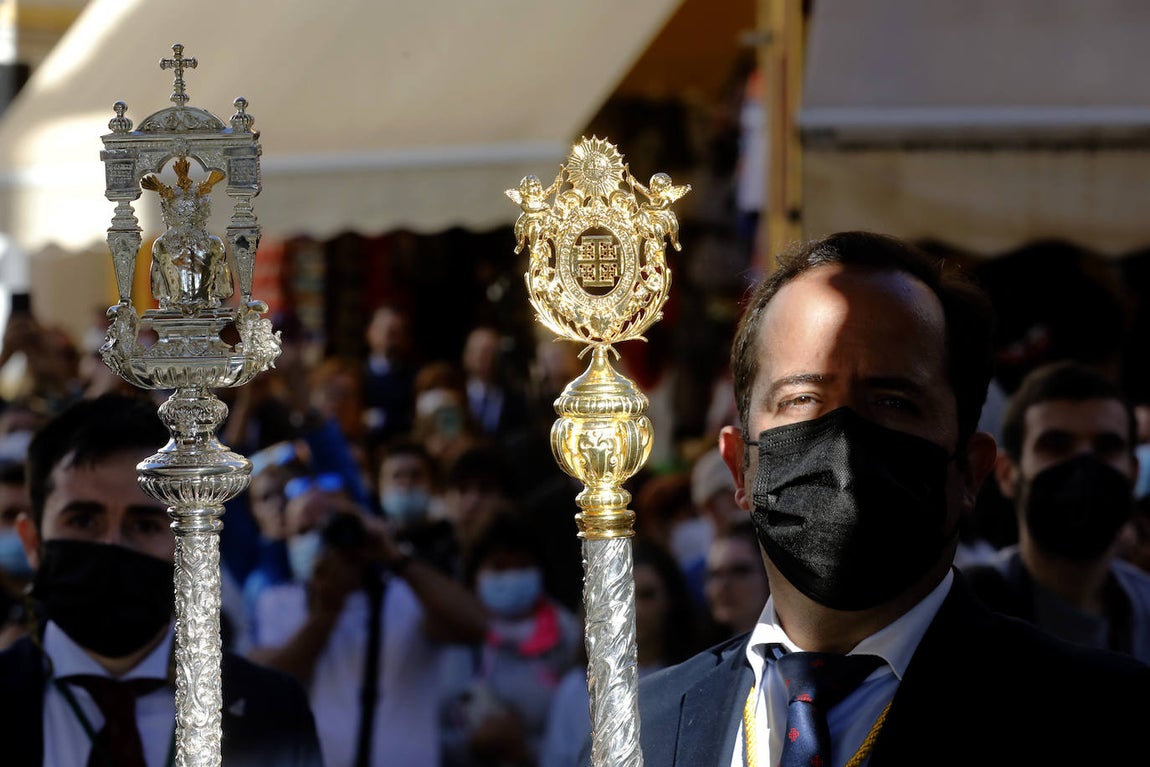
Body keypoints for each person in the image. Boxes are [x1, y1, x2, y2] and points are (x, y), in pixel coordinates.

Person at [597, 231, 1150, 767]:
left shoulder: (1103, 719)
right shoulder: (642, 727)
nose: (843, 441)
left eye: (892, 401)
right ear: (740, 464)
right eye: (803, 398)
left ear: (972, 472)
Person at [0, 393, 322, 766]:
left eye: (145, 524)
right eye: (83, 520)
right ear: (32, 541)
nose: (113, 546)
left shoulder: (273, 712)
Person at [247, 462, 487, 767]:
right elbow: (267, 688)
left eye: (332, 527)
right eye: (306, 531)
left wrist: (396, 558)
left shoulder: (409, 597)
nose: (322, 542)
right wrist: (325, 615)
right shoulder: (276, 603)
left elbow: (478, 627)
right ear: (289, 541)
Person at [964, 360, 1150, 662]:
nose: (1084, 464)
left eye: (1107, 446)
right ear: (1008, 474)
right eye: (1056, 445)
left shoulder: (1145, 606)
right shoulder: (964, 609)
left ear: (1132, 473)